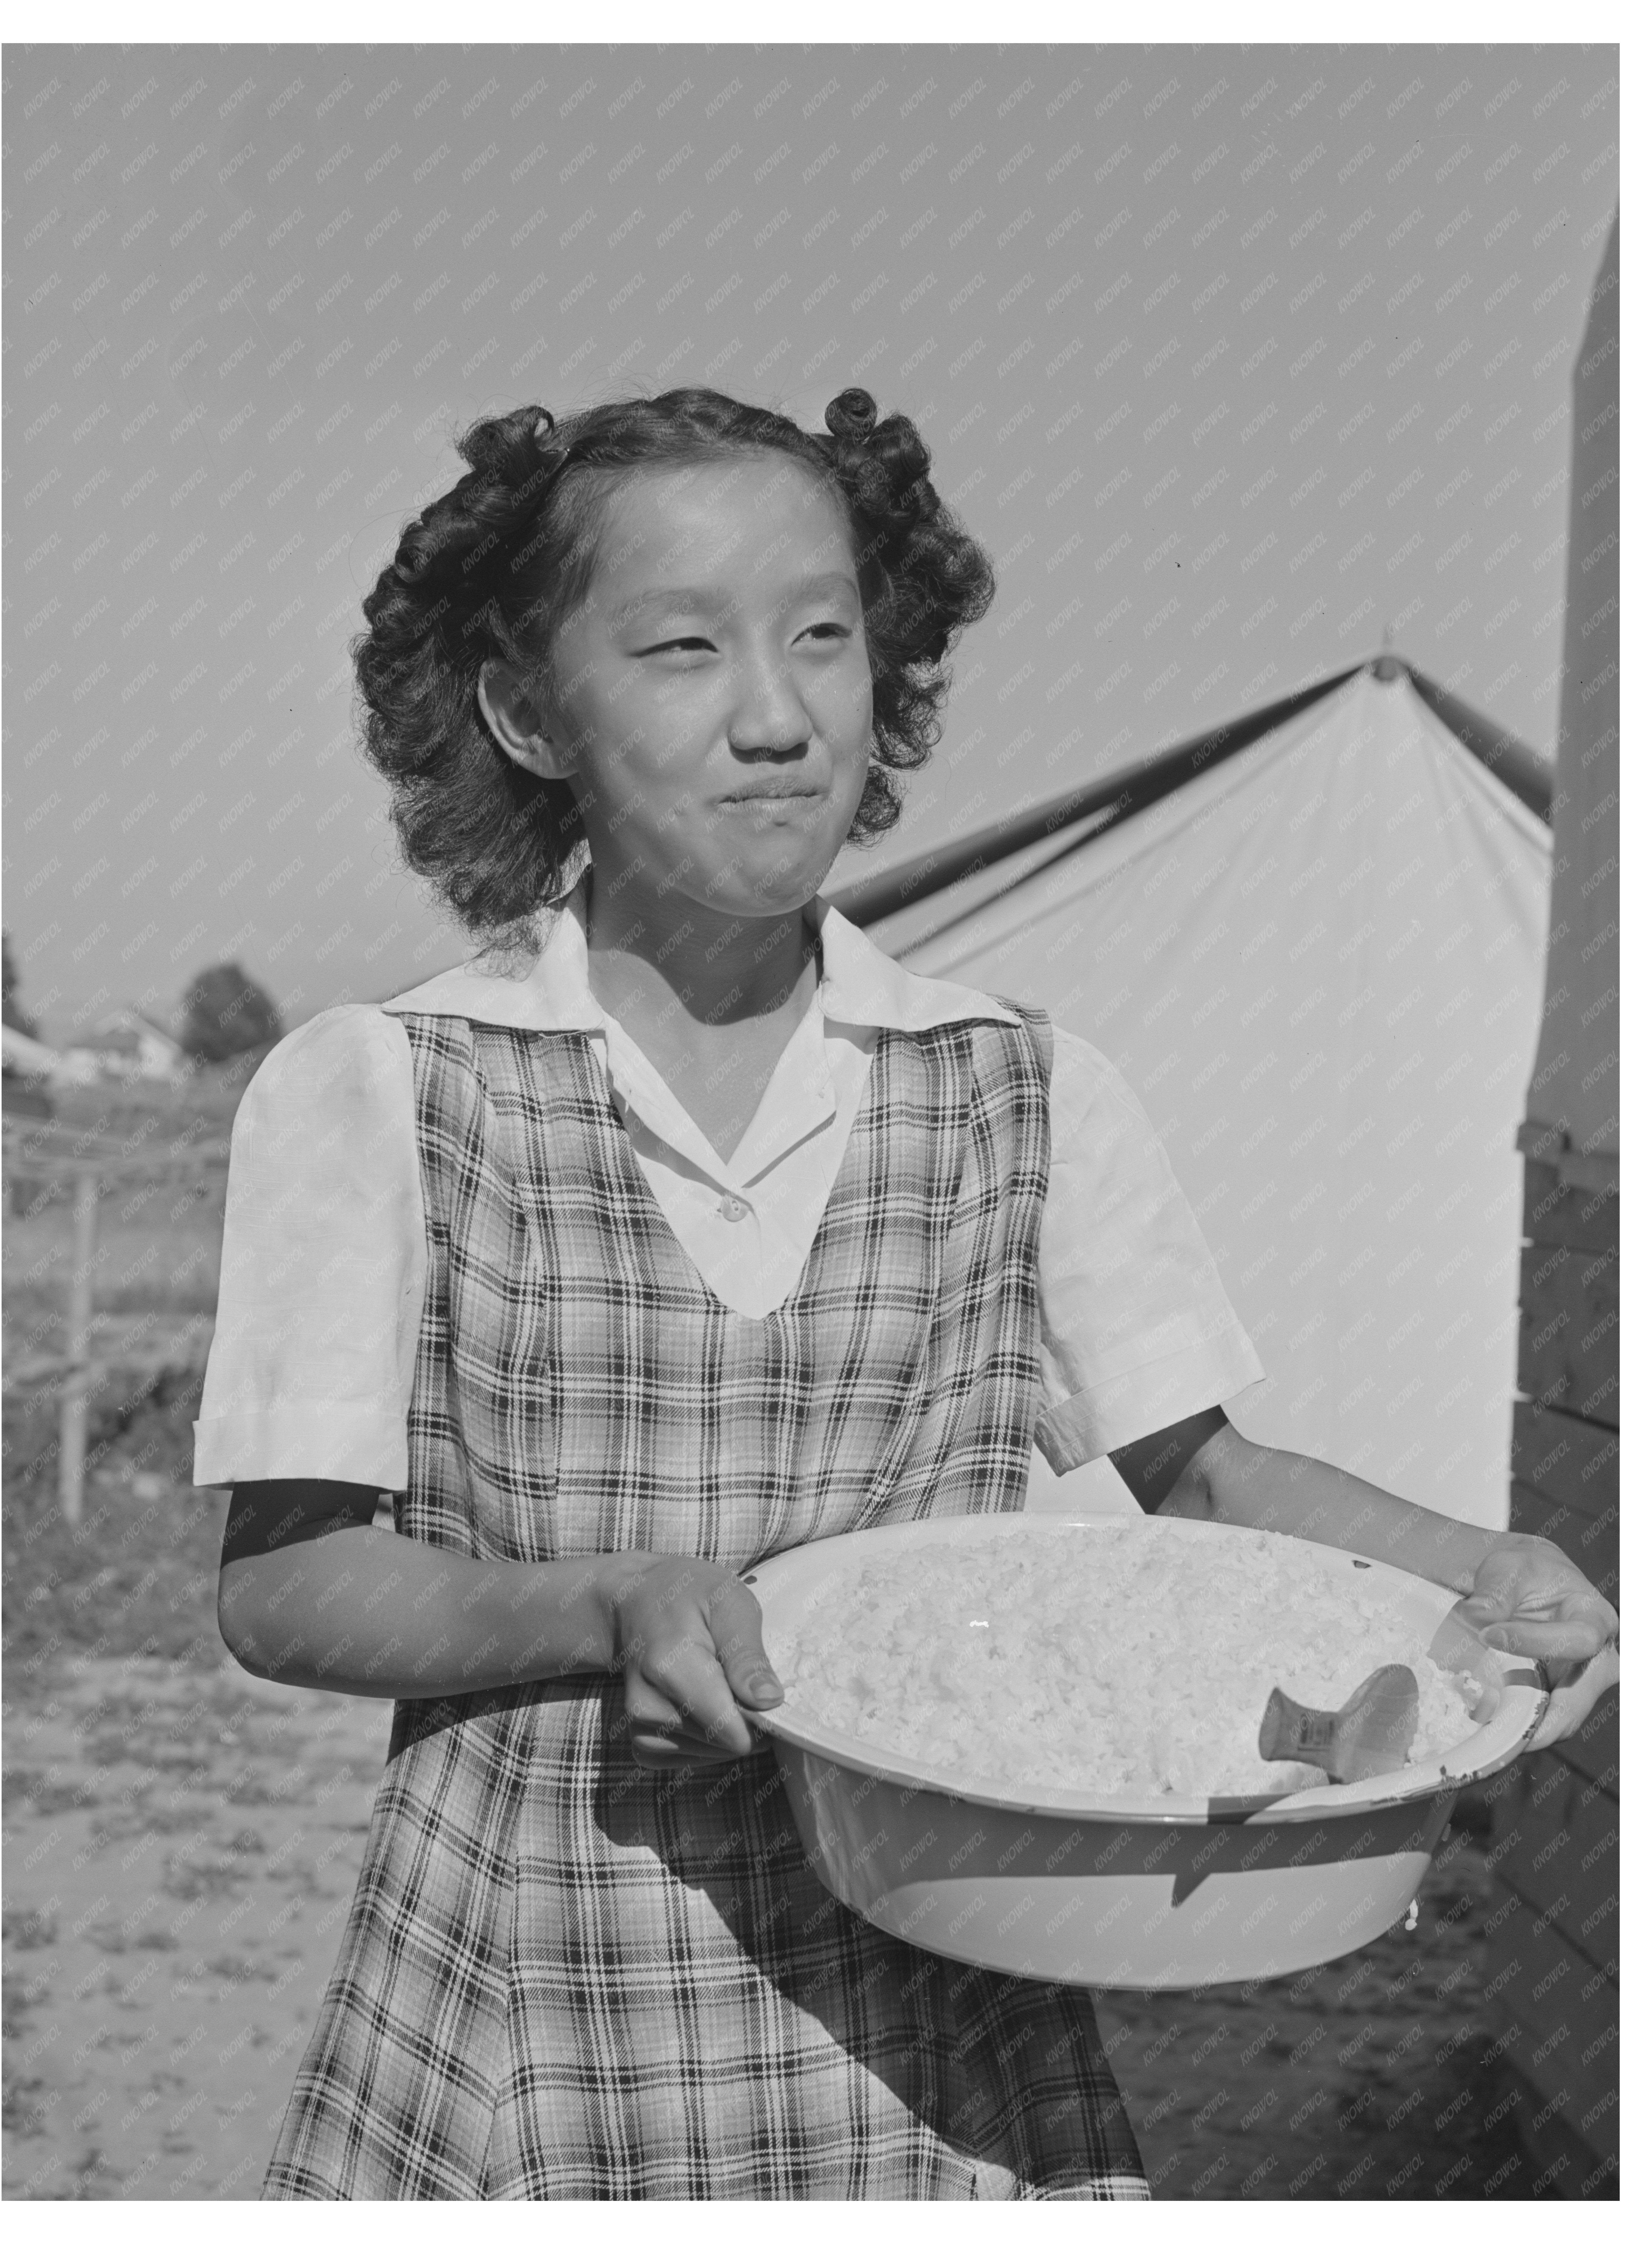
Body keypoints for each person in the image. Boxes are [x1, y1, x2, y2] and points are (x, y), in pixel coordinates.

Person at [201, 386, 1618, 2201]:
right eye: (683, 650)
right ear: (527, 710)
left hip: (937, 2030)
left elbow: (1205, 1478)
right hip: (531, 2008)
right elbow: (282, 1583)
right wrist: (598, 1608)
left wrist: (1474, 1574)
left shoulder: (1021, 1090)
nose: (779, 715)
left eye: (825, 636)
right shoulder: (386, 1090)